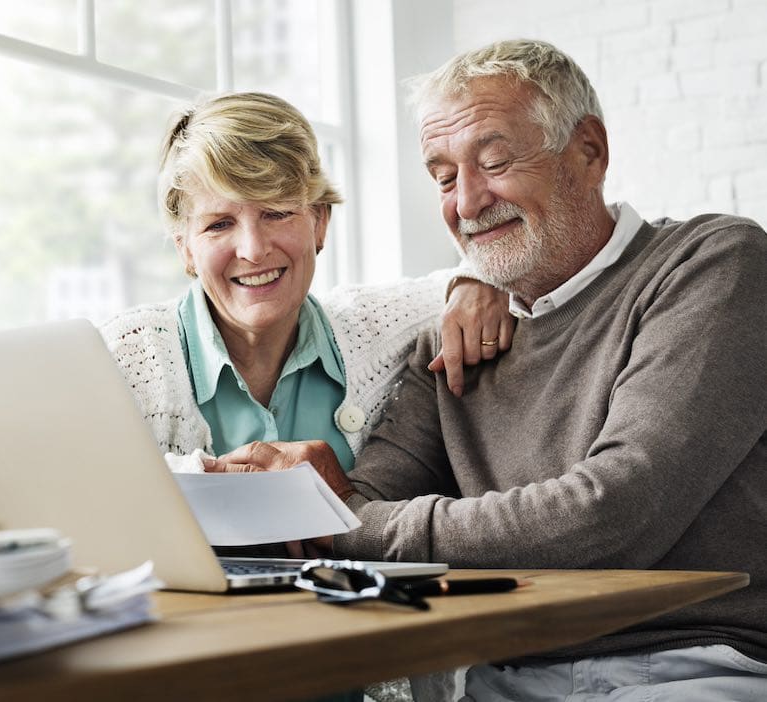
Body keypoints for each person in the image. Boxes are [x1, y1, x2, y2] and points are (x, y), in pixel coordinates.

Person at [208, 40, 767, 701]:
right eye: (444, 178)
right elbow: (358, 508)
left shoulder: (712, 265)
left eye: (495, 162)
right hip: (504, 678)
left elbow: (616, 511)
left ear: (589, 152)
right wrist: (297, 503)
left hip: (693, 664)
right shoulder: (450, 343)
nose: (467, 203)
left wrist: (349, 521)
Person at [100, 91, 512, 702]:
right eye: (219, 224)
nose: (253, 248)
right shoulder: (123, 356)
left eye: (276, 213)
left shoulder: (380, 330)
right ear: (185, 246)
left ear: (319, 222)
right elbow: (65, 509)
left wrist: (477, 280)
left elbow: (503, 256)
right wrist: (202, 480)